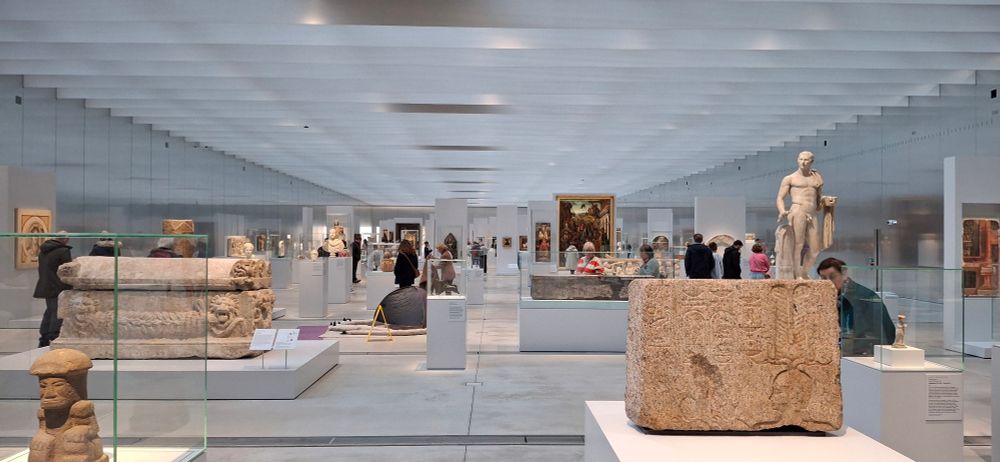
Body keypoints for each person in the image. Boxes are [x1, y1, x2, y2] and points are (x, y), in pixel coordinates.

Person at [776, 151, 838, 279]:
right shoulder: (790, 178)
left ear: (811, 162)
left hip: (812, 212)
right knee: (798, 245)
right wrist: (782, 210)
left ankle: (804, 272)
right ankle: (796, 274)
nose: (803, 162)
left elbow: (818, 197)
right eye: (801, 159)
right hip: (798, 210)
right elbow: (780, 198)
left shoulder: (816, 177)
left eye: (806, 160)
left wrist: (826, 200)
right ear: (797, 160)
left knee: (815, 249)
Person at [817, 257, 895, 356]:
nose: (828, 282)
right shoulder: (828, 297)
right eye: (823, 278)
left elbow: (883, 334)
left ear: (844, 274)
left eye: (832, 277)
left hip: (862, 356)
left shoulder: (864, 297)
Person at [34, 232, 73, 347]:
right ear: (66, 240)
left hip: (46, 284)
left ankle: (44, 337)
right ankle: (54, 336)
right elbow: (67, 271)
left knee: (50, 311)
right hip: (58, 285)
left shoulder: (44, 250)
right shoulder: (63, 251)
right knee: (57, 311)